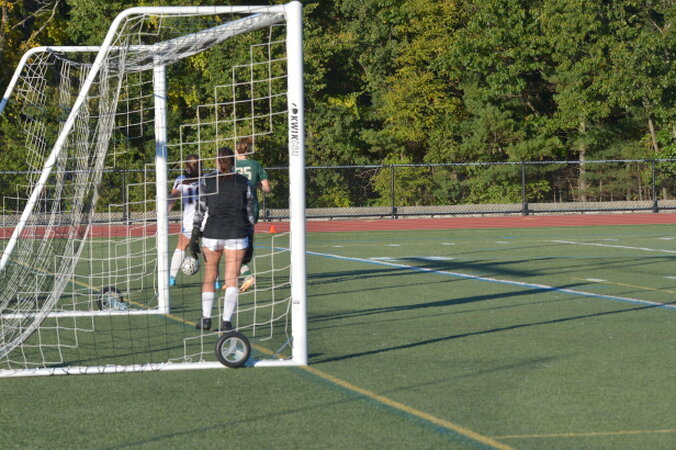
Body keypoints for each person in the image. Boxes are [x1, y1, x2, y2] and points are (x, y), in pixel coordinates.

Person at [189, 146, 255, 331]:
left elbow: (200, 209)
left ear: (217, 161)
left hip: (213, 232)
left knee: (210, 276)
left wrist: (195, 234)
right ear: (233, 161)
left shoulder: (207, 180)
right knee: (232, 278)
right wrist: (250, 238)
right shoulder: (244, 182)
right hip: (237, 233)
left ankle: (206, 319)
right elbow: (250, 213)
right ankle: (226, 322)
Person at [233, 136, 271, 292]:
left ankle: (245, 275)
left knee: (231, 243)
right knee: (245, 242)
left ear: (236, 150)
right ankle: (238, 275)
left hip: (235, 208)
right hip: (251, 207)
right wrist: (255, 185)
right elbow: (267, 188)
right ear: (248, 150)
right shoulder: (256, 165)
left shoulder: (231, 165)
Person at [167, 154, 202, 287]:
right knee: (210, 251)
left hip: (190, 222)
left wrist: (164, 214)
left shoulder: (181, 180)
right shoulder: (207, 179)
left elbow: (172, 198)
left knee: (181, 246)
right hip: (206, 220)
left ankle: (171, 278)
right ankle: (216, 282)